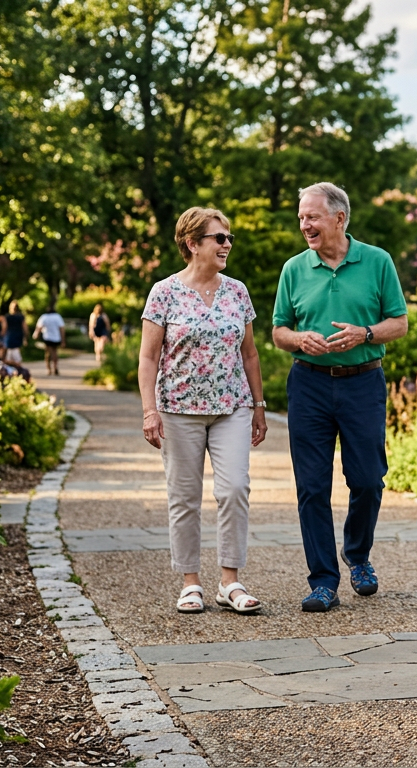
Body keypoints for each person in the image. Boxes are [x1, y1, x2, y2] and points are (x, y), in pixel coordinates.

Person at [272, 182, 409, 613]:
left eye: (311, 216)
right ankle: (323, 581)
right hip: (308, 384)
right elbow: (278, 331)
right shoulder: (294, 268)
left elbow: (399, 323)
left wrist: (365, 333)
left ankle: (358, 555)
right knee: (312, 486)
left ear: (339, 218)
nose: (304, 224)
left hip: (362, 383)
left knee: (368, 479)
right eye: (301, 217)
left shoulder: (377, 261)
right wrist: (299, 339)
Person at [140, 207, 269, 615]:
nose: (227, 244)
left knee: (234, 489)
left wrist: (259, 406)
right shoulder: (164, 292)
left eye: (229, 238)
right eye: (219, 238)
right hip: (178, 409)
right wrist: (149, 411)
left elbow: (250, 354)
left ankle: (230, 581)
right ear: (192, 243)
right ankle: (190, 582)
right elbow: (148, 357)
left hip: (232, 407)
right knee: (184, 497)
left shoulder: (237, 291)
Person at [34, 303, 65, 376]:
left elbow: (39, 327)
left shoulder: (44, 317)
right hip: (56, 338)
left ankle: (49, 369)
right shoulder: (57, 317)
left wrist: (36, 335)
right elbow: (62, 329)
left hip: (47, 337)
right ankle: (55, 367)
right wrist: (63, 340)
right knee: (55, 352)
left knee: (48, 353)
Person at [1, 301, 27, 365]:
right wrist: (26, 336)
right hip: (18, 336)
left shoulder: (7, 316)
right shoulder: (20, 316)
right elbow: (25, 327)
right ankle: (17, 365)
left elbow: (4, 327)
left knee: (9, 353)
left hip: (9, 337)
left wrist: (1, 336)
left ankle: (12, 366)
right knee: (16, 352)